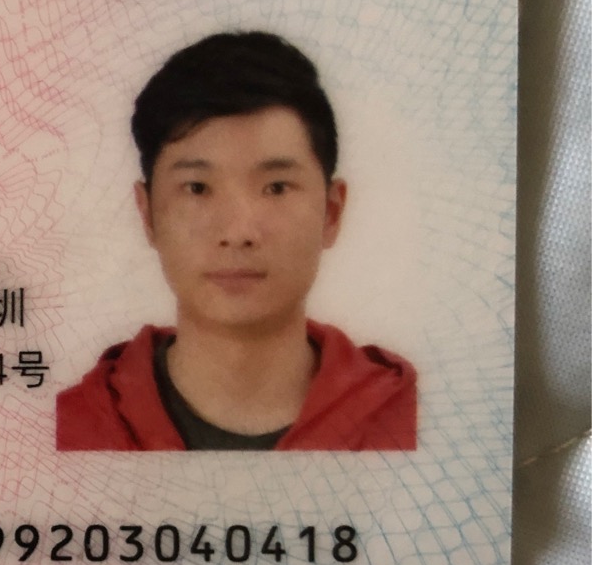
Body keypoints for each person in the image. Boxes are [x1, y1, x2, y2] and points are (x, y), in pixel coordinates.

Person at [55, 31, 417, 451]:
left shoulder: (413, 422)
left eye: (276, 188)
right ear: (148, 214)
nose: (238, 233)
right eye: (197, 188)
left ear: (331, 213)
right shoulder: (70, 429)